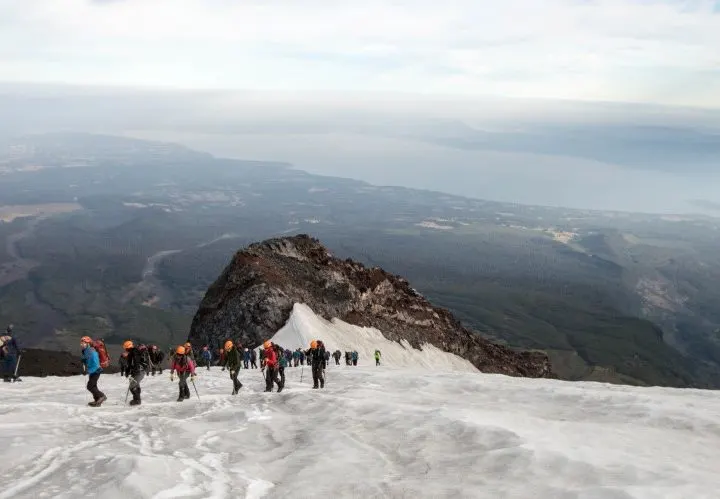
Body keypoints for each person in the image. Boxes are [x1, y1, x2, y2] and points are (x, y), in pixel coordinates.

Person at [80, 336, 107, 407]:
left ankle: (102, 396)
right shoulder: (86, 350)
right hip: (93, 370)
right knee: (93, 385)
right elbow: (87, 358)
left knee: (90, 386)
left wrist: (89, 371)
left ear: (88, 343)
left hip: (96, 370)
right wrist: (84, 359)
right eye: (81, 343)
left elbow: (95, 363)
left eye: (83, 343)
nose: (82, 344)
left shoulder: (91, 351)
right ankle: (97, 400)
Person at [123, 340, 147, 406]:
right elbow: (130, 363)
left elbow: (136, 362)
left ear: (127, 347)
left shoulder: (134, 352)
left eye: (125, 348)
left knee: (132, 386)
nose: (125, 349)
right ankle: (137, 399)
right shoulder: (132, 352)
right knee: (135, 385)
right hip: (139, 371)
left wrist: (134, 371)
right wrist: (128, 371)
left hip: (139, 371)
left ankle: (137, 400)